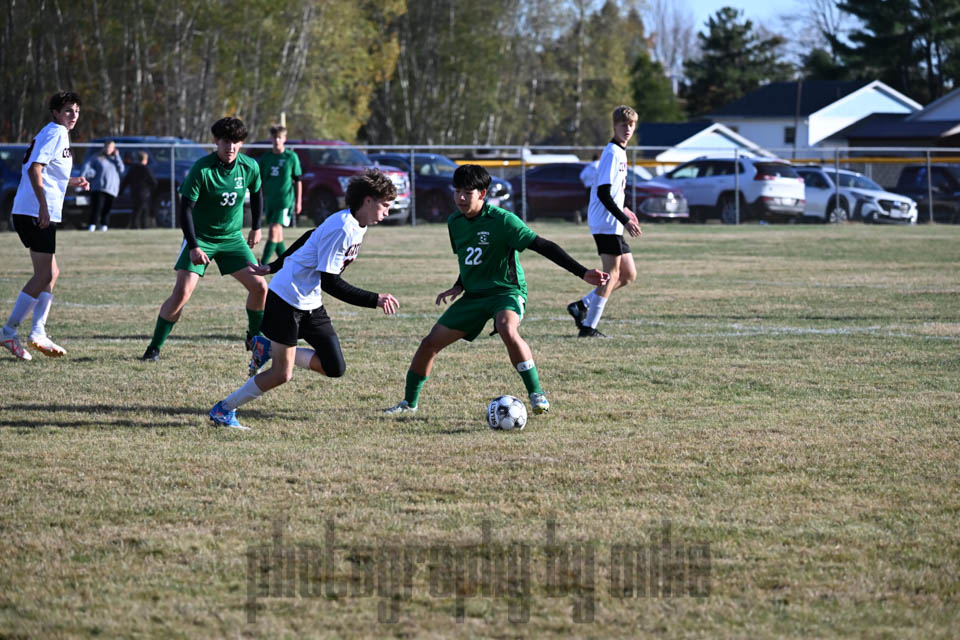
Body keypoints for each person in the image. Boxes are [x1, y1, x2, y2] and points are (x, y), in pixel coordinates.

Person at [385, 164, 609, 417]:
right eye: (457, 191)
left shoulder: (503, 220)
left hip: (507, 291)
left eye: (467, 193)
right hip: (474, 296)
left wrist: (582, 272)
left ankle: (537, 394)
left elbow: (543, 245)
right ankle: (409, 404)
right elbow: (471, 258)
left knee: (506, 327)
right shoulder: (455, 222)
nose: (460, 198)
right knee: (429, 344)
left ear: (482, 193)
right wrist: (459, 284)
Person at [209, 169, 400, 430]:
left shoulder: (355, 223)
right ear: (368, 201)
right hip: (286, 299)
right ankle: (224, 409)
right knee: (281, 374)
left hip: (310, 301)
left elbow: (311, 235)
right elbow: (331, 282)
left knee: (334, 367)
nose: (387, 212)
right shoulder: (343, 227)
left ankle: (267, 348)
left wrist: (274, 264)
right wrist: (374, 299)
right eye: (385, 205)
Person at [140, 117, 266, 362]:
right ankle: (154, 348)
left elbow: (258, 193)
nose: (231, 147)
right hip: (202, 238)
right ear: (216, 141)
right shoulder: (202, 168)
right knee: (182, 293)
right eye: (226, 141)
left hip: (232, 238)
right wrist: (194, 246)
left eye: (236, 142)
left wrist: (256, 228)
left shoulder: (249, 166)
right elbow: (185, 209)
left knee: (260, 286)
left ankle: (254, 338)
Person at [1, 91, 89, 361]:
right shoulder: (56, 132)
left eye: (76, 111)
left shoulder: (53, 132)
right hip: (34, 211)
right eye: (68, 110)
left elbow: (47, 170)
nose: (73, 115)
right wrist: (43, 206)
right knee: (43, 276)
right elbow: (34, 169)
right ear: (55, 112)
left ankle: (37, 330)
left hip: (30, 210)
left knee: (51, 273)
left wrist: (72, 181)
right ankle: (9, 331)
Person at [566, 105, 643, 338]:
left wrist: (625, 210)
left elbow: (615, 192)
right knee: (612, 274)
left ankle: (581, 306)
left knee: (628, 275)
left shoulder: (620, 151)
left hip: (613, 221)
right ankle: (588, 328)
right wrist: (624, 219)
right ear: (615, 126)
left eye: (631, 125)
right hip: (606, 222)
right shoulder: (611, 152)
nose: (628, 129)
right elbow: (603, 193)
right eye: (623, 125)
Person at [258, 125, 302, 263]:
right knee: (278, 236)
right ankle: (287, 264)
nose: (277, 140)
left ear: (284, 139)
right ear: (271, 139)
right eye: (274, 137)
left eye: (279, 137)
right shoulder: (266, 158)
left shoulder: (291, 157)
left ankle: (262, 265)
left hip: (284, 200)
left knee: (273, 230)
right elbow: (260, 180)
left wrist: (299, 202)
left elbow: (298, 180)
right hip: (270, 200)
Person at [82, 139, 125, 231]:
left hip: (111, 189)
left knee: (107, 209)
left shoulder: (115, 159)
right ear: (104, 147)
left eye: (111, 147)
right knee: (97, 207)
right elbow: (87, 167)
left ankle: (104, 226)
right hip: (99, 187)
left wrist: (117, 156)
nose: (108, 149)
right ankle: (92, 226)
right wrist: (88, 174)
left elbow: (121, 169)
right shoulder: (97, 157)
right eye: (107, 147)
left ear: (114, 149)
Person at [119, 150, 158, 229]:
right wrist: (150, 189)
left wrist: (120, 191)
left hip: (134, 192)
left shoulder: (132, 168)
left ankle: (143, 226)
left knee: (143, 209)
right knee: (139, 210)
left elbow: (126, 181)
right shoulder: (146, 169)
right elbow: (153, 182)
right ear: (145, 159)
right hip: (144, 193)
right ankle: (135, 225)